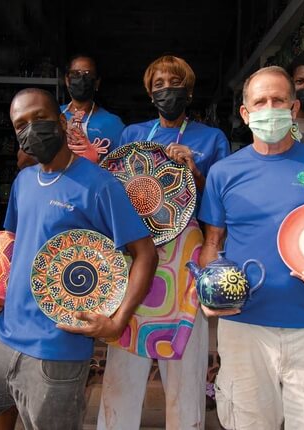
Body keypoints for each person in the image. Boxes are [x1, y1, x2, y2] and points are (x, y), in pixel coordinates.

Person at [0, 88, 158, 430]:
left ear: (61, 122)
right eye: (21, 125)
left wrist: (117, 321)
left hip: (57, 349)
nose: (31, 129)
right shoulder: (24, 181)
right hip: (1, 336)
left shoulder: (100, 185)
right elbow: (14, 245)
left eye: (40, 119)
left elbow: (145, 253)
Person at [197, 66, 304, 430]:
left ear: (294, 108)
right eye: (260, 101)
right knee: (248, 421)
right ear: (245, 113)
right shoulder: (224, 172)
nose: (270, 108)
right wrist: (207, 288)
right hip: (244, 324)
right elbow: (213, 242)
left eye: (278, 100)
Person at [97, 55, 230, 430]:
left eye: (173, 82)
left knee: (184, 358)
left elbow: (221, 203)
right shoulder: (132, 135)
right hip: (136, 254)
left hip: (187, 254)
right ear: (149, 92)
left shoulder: (211, 138)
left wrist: (195, 173)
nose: (165, 90)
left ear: (188, 91)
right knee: (124, 350)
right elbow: (114, 192)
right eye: (157, 84)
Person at [61, 54, 125, 162]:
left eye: (88, 74)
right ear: (67, 80)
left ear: (97, 82)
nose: (81, 79)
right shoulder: (53, 115)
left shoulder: (113, 123)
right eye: (76, 73)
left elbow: (123, 167)